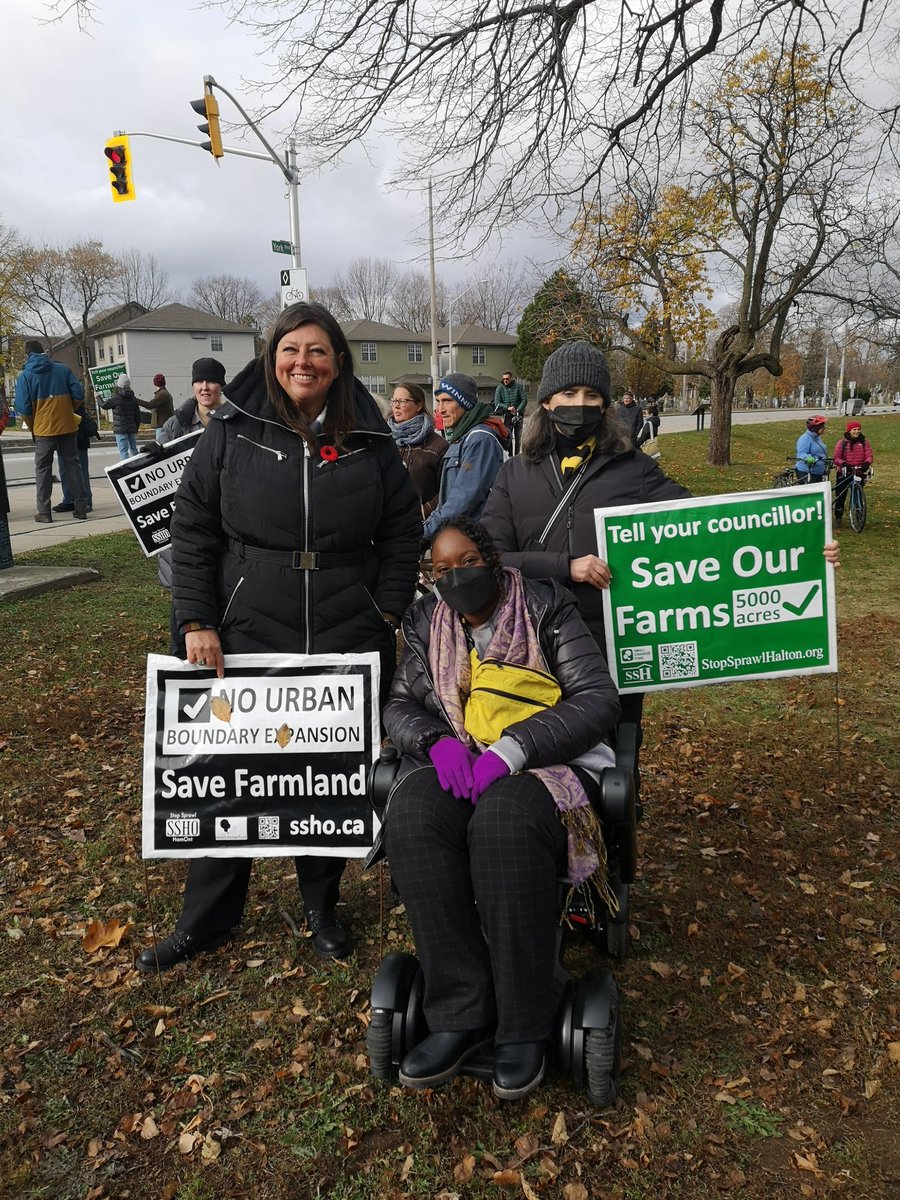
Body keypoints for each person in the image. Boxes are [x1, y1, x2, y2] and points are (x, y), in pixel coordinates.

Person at [136, 302, 421, 972]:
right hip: (248, 620)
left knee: (325, 775)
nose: (304, 363)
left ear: (338, 362)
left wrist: (383, 609)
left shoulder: (370, 437)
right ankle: (205, 918)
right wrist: (196, 620)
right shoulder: (233, 429)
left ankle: (322, 907)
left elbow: (404, 531)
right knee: (226, 772)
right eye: (292, 349)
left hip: (345, 623)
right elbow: (196, 526)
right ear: (272, 358)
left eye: (318, 351)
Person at [381, 517, 621, 1100]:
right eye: (440, 570)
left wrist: (513, 749)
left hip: (547, 764)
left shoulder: (546, 606)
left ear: (489, 558)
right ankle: (461, 1012)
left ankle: (523, 1024)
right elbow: (400, 704)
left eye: (466, 562)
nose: (454, 577)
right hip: (458, 760)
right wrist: (434, 743)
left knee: (502, 824)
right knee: (411, 812)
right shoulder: (424, 622)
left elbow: (597, 699)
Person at [153, 358, 228, 646]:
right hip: (187, 523)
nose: (205, 387)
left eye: (211, 381)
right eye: (200, 381)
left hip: (225, 519)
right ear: (193, 384)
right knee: (187, 596)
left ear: (221, 385)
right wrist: (152, 457)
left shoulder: (237, 419)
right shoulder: (175, 425)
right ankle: (182, 658)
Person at [422, 373, 508, 538]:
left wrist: (424, 533)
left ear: (465, 403)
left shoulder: (480, 439)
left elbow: (462, 502)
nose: (440, 410)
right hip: (458, 537)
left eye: (447, 401)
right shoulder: (462, 437)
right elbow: (447, 502)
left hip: (474, 543)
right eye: (438, 401)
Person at [14, 339, 88, 522]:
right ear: (44, 352)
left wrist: (34, 425)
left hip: (43, 430)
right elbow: (79, 394)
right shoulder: (62, 369)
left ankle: (44, 512)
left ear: (28, 354)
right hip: (67, 426)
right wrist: (66, 410)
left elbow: (23, 408)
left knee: (43, 470)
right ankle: (81, 508)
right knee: (73, 466)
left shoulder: (25, 376)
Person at [387, 383, 448, 516]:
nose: (396, 405)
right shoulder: (385, 441)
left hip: (422, 526)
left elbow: (447, 489)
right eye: (394, 401)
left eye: (403, 401)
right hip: (388, 524)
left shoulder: (438, 446)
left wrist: (424, 511)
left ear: (419, 406)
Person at [53, 402, 98, 514]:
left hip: (76, 437)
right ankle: (70, 499)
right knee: (65, 470)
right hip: (65, 436)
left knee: (79, 471)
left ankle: (85, 500)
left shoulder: (71, 398)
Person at [832, 419, 873, 528]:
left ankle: (859, 515)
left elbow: (869, 455)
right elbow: (836, 457)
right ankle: (838, 517)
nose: (857, 431)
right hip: (844, 472)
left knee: (859, 495)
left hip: (858, 472)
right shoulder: (842, 443)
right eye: (854, 429)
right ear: (849, 431)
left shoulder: (864, 442)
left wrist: (867, 463)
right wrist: (843, 463)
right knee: (840, 496)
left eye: (858, 429)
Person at [100, 374, 142, 459]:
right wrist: (136, 428)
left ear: (118, 384)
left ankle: (126, 470)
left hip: (121, 429)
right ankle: (140, 466)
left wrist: (98, 397)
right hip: (132, 428)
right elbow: (137, 415)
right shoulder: (133, 398)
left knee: (124, 452)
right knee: (134, 450)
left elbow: (104, 405)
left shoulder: (116, 398)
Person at [493, 371, 528, 455]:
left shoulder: (518, 387)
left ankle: (517, 454)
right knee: (508, 435)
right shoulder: (500, 388)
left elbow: (524, 399)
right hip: (507, 415)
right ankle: (510, 455)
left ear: (511, 379)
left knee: (518, 436)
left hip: (518, 414)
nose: (505, 380)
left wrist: (518, 409)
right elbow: (497, 402)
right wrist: (507, 408)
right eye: (504, 379)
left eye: (507, 379)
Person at [794, 414, 828, 482]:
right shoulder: (804, 439)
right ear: (815, 428)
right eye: (822, 426)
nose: (824, 428)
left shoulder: (817, 438)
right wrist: (808, 458)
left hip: (819, 471)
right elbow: (801, 453)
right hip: (806, 472)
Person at [146, 372, 175, 441]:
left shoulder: (162, 394)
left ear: (155, 383)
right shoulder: (165, 393)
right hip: (165, 424)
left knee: (160, 445)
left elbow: (151, 405)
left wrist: (136, 400)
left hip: (162, 425)